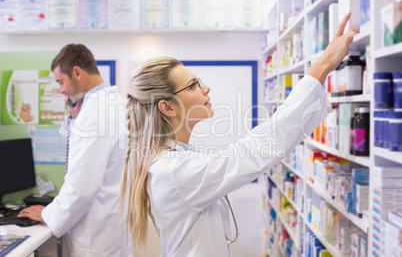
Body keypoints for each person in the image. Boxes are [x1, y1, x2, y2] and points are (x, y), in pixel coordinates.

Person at [121, 13, 359, 256]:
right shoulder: (174, 170)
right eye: (193, 85)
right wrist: (322, 65)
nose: (206, 88)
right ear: (167, 107)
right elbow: (256, 150)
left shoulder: (177, 159)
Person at [18, 44, 131, 257]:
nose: (60, 90)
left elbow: (81, 187)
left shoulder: (94, 115)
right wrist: (74, 114)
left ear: (77, 72)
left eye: (61, 81)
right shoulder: (115, 103)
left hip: (96, 236)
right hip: (114, 226)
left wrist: (47, 213)